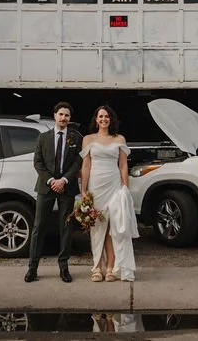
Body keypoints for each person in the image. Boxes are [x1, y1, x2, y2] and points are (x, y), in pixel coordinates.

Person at [79, 104, 138, 282]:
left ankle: (111, 267)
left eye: (107, 117)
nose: (104, 119)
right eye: (100, 117)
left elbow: (123, 165)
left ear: (111, 120)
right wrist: (83, 189)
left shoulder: (119, 139)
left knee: (114, 227)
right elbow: (86, 165)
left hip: (114, 186)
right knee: (97, 227)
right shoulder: (88, 139)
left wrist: (125, 188)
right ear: (96, 120)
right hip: (96, 186)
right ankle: (97, 267)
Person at [26, 101, 82, 283]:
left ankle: (64, 268)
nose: (64, 118)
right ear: (55, 115)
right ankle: (32, 268)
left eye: (67, 115)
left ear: (70, 118)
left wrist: (64, 180)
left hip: (66, 187)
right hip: (46, 187)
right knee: (38, 227)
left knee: (65, 228)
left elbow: (77, 163)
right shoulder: (43, 138)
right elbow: (38, 162)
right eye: (61, 114)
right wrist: (51, 181)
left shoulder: (76, 138)